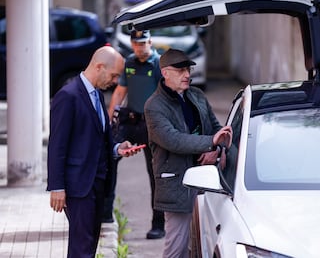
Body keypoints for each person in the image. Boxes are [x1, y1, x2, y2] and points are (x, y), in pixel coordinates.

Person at [47, 46, 141, 258]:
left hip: (97, 183)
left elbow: (97, 137)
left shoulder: (97, 94)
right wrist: (57, 187)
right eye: (114, 75)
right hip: (79, 185)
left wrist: (117, 149)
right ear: (99, 67)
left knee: (88, 245)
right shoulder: (67, 96)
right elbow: (57, 145)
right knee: (82, 248)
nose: (116, 81)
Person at [144, 48, 233, 258]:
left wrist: (216, 149)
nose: (187, 75)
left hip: (207, 180)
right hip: (178, 183)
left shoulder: (197, 95)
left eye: (188, 70)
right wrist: (210, 142)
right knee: (177, 248)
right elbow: (172, 140)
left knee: (204, 244)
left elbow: (215, 129)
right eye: (180, 70)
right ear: (165, 73)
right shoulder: (154, 106)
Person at [105, 29, 166, 239]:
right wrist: (108, 123)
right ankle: (105, 214)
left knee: (155, 175)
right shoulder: (129, 63)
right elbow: (120, 93)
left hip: (151, 125)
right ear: (132, 44)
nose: (140, 48)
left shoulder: (158, 64)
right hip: (130, 122)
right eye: (136, 44)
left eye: (143, 43)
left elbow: (165, 95)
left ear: (150, 41)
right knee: (109, 159)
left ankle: (158, 224)